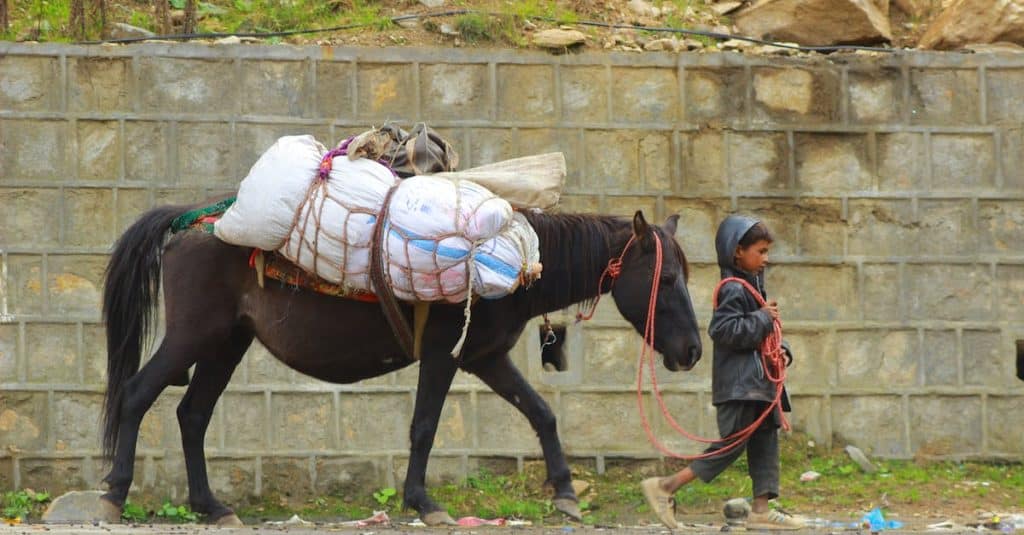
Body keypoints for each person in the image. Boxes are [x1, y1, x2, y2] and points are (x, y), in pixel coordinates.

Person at [641, 215, 806, 530]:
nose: (766, 259)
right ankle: (665, 487)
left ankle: (761, 509)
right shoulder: (732, 288)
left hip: (759, 385)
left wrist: (782, 348)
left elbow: (763, 334)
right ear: (737, 253)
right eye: (760, 251)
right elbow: (724, 329)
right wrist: (762, 319)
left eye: (767, 251)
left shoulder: (752, 287)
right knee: (732, 445)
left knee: (765, 442)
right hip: (740, 386)